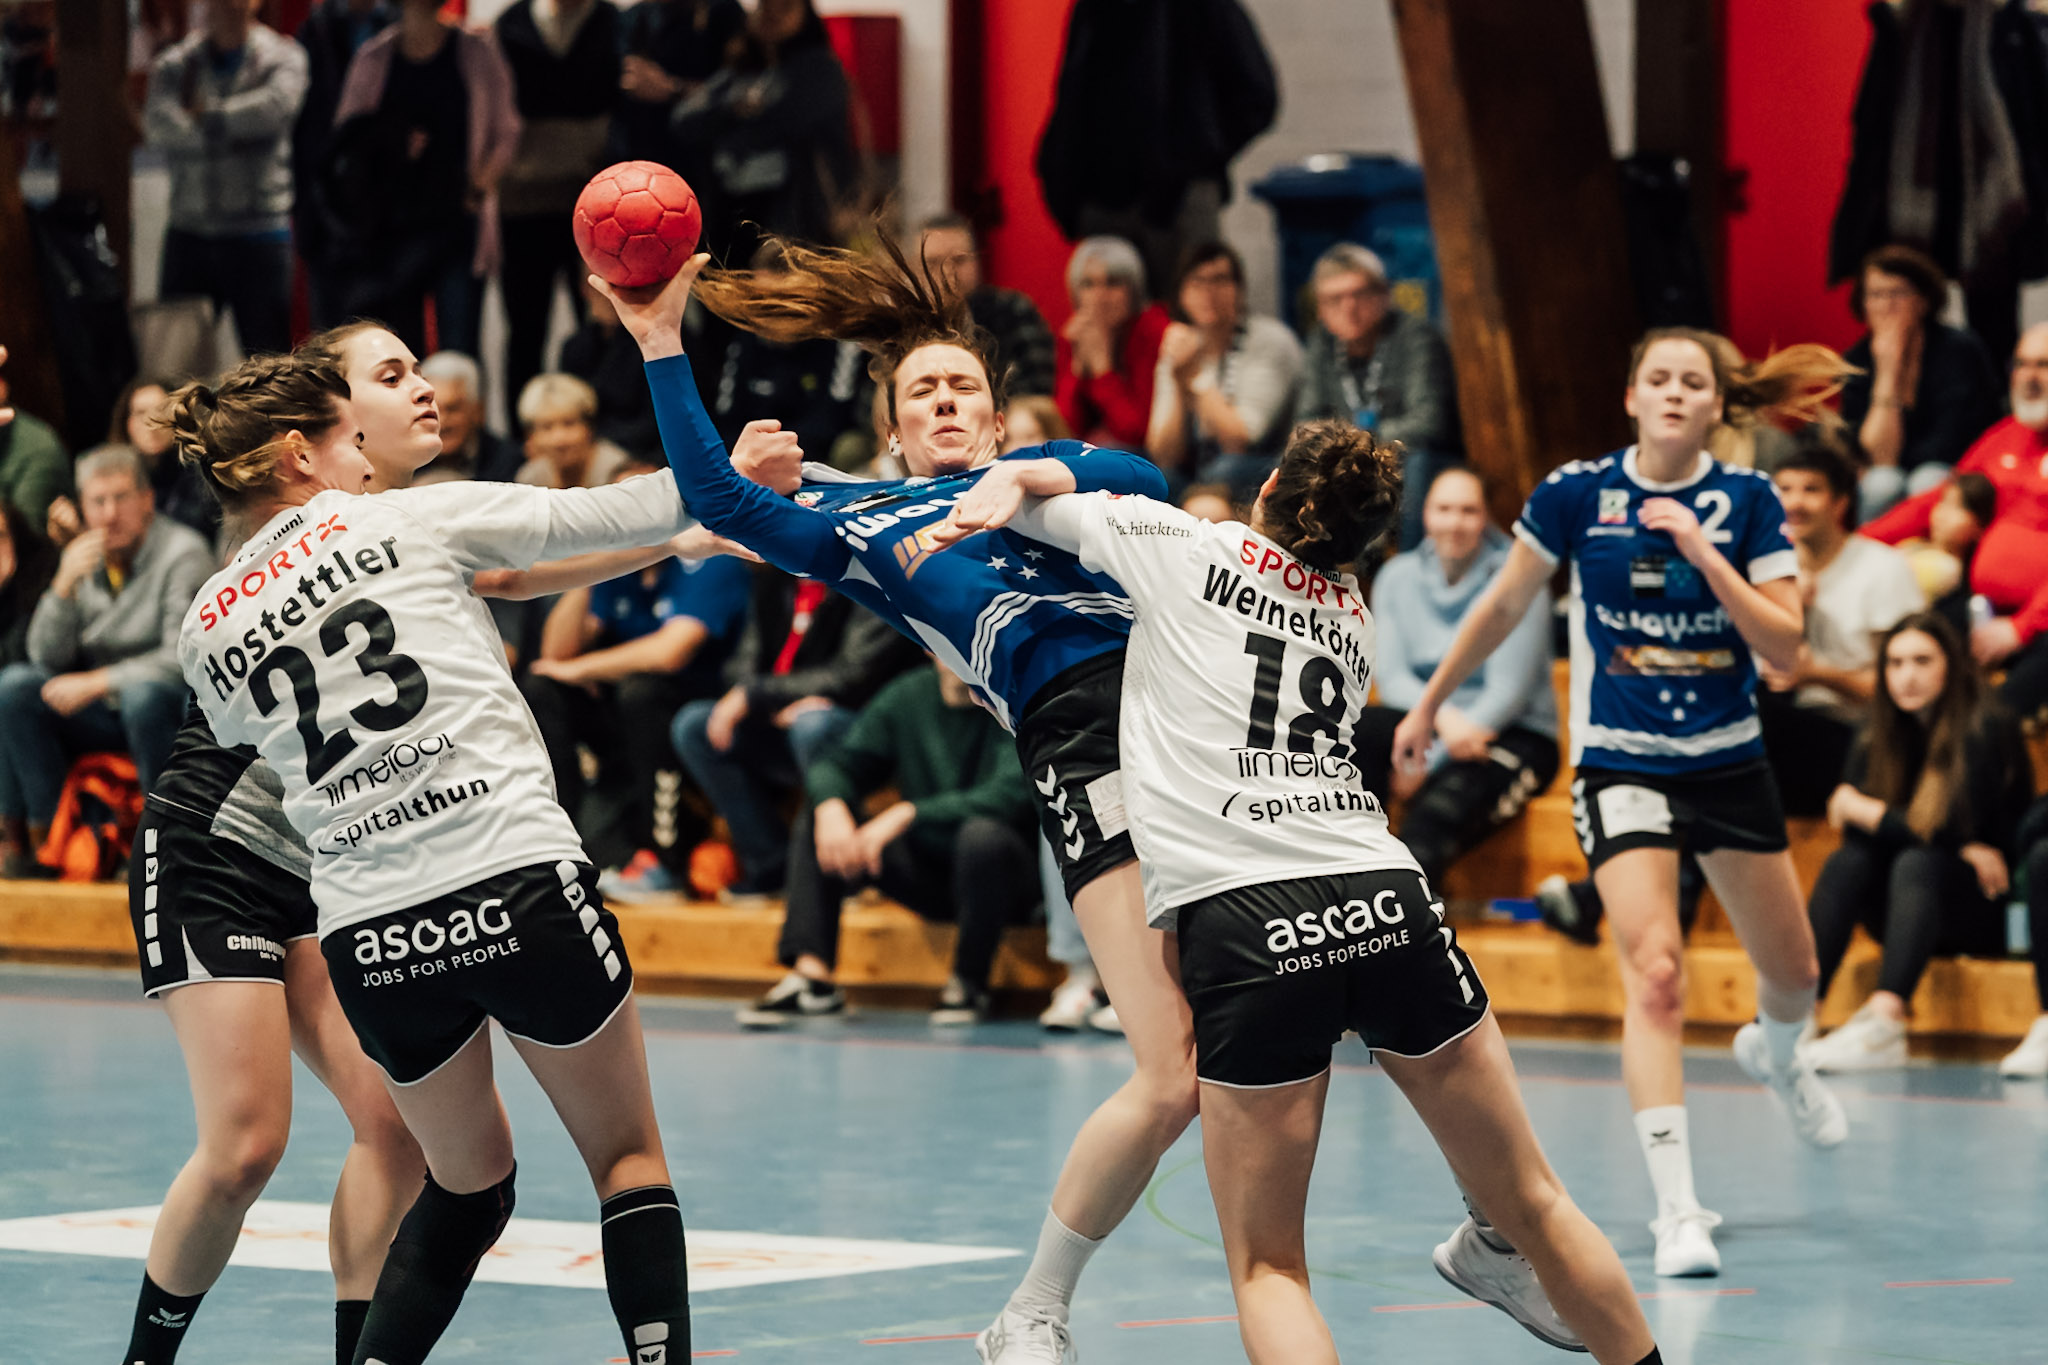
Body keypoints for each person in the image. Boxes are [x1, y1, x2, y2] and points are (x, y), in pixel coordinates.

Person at [599, 237, 1574, 1361]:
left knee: (1360, 966)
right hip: (1089, 744)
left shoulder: (1047, 471)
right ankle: (1031, 1311)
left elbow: (1146, 479)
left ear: (995, 413)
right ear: (893, 428)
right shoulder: (863, 526)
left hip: (1210, 728)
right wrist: (661, 341)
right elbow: (717, 496)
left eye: (964, 385)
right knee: (1173, 1075)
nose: (946, 400)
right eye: (922, 391)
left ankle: (1492, 1229)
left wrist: (1021, 480)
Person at [126, 315, 762, 1365]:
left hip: (361, 907)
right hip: (340, 857)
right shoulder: (409, 520)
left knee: (438, 1162)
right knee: (615, 1162)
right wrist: (719, 479)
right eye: (382, 386)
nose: (416, 393)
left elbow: (497, 577)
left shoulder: (215, 618)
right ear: (310, 445)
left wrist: (676, 538)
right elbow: (596, 517)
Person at [961, 423, 1664, 1365]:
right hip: (1384, 895)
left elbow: (1027, 504)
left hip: (1249, 918)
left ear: (1268, 491)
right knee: (1535, 1201)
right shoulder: (1352, 614)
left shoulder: (1184, 544)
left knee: (1270, 1269)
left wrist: (989, 471)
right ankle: (1517, 1258)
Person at [1392, 327, 1856, 1278]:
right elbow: (1503, 604)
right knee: (1656, 971)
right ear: (1633, 396)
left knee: (1796, 971)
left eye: (1694, 381)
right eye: (1659, 377)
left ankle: (1778, 1052)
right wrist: (1430, 702)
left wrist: (1706, 555)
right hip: (1622, 763)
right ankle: (1678, 1208)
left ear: (1716, 404)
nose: (1675, 392)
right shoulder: (1578, 494)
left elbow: (1785, 649)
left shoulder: (1748, 499)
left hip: (1726, 760)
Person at [743, 659, 1041, 1027]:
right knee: (822, 816)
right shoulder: (908, 695)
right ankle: (813, 978)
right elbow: (841, 763)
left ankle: (968, 983)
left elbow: (1011, 795)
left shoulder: (1010, 699)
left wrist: (909, 813)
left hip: (1007, 882)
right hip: (932, 876)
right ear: (928, 647)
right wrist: (831, 804)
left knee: (983, 838)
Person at [1801, 613, 2032, 1072]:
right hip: (1903, 909)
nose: (1907, 676)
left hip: (1980, 908)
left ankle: (1885, 1022)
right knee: (1849, 862)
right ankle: (1798, 1013)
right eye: (1895, 663)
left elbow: (1950, 827)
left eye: (1922, 661)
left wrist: (1872, 812)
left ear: (1952, 666)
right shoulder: (1877, 728)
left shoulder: (1986, 724)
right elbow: (1863, 832)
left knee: (1918, 860)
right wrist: (1947, 841)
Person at [521, 492, 751, 893]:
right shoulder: (620, 566)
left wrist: (580, 669)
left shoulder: (707, 555)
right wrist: (590, 568)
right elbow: (554, 655)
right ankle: (562, 846)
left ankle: (665, 859)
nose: (628, 518)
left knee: (641, 693)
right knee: (542, 689)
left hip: (698, 707)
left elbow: (670, 652)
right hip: (625, 710)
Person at [1352, 467, 1559, 888]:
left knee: (1431, 823)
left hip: (1508, 731)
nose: (1454, 522)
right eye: (1443, 509)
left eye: (1468, 510)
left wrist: (1428, 763)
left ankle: (1412, 917)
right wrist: (1440, 720)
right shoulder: (1397, 576)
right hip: (1428, 723)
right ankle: (1353, 869)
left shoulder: (1519, 578)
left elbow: (1507, 693)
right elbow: (1393, 678)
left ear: (1486, 518)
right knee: (1357, 735)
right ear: (1425, 515)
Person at [0, 446, 211, 851]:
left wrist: (98, 682)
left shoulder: (183, 553)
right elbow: (45, 656)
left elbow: (182, 659)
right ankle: (49, 842)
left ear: (147, 500)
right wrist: (63, 586)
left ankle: (161, 844)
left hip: (165, 704)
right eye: (98, 502)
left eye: (121, 498)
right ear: (83, 507)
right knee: (15, 686)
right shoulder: (84, 556)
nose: (110, 514)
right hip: (103, 711)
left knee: (142, 697)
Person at [671, 568, 922, 899]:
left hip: (859, 724)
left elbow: (853, 675)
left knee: (812, 725)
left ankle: (842, 874)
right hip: (778, 717)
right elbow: (742, 664)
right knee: (694, 725)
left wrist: (760, 695)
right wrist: (763, 701)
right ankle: (770, 866)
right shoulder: (772, 578)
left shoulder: (870, 576)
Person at [1864, 322, 2048, 724]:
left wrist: (2021, 628)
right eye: (2022, 364)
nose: (2030, 377)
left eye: (2044, 365)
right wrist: (1856, 543)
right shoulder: (2006, 436)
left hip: (2039, 621)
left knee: (1996, 716)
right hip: (1981, 606)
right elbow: (1934, 502)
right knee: (1913, 648)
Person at [330, 0, 520, 361]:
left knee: (459, 348)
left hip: (458, 221)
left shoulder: (476, 51)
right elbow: (347, 137)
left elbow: (506, 129)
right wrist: (391, 140)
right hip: (393, 228)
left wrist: (482, 183)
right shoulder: (374, 56)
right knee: (401, 348)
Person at [1755, 437, 1925, 816]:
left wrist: (1817, 675)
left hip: (1862, 736)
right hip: (1790, 728)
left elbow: (1908, 690)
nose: (1794, 502)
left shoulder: (1883, 569)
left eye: (1811, 490)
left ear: (1840, 503)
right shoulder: (1770, 569)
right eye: (1784, 490)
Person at [143, 0, 308, 358]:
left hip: (259, 232)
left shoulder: (283, 57)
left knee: (268, 364)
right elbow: (158, 125)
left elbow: (273, 110)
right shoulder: (178, 63)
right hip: (190, 229)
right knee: (175, 359)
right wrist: (233, 131)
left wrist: (204, 120)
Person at [494, 0, 620, 417]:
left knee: (602, 323)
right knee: (525, 328)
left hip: (597, 205)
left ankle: (595, 428)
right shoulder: (511, 24)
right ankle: (526, 436)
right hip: (523, 202)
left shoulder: (611, 22)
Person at [1294, 242, 1461, 549]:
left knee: (1418, 464)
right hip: (1350, 461)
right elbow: (1305, 424)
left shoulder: (1416, 337)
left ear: (1384, 294)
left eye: (1359, 294)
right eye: (1335, 299)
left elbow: (1428, 423)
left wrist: (1355, 445)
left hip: (1412, 458)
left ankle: (1407, 571)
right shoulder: (1321, 344)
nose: (1349, 307)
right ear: (1320, 308)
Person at [669, 0, 857, 259]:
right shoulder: (739, 70)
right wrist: (733, 109)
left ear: (805, 16)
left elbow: (780, 123)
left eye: (785, 7)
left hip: (793, 215)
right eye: (766, 6)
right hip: (729, 211)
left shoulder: (820, 69)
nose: (773, 14)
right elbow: (684, 119)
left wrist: (728, 125)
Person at [1839, 245, 2002, 522]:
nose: (1887, 305)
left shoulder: (1960, 350)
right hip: (1890, 470)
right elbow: (1877, 457)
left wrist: (1901, 461)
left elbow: (1954, 439)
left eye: (1898, 293)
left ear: (1924, 301)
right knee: (1881, 484)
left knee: (1926, 481)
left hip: (1957, 466)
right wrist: (1888, 372)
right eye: (1876, 294)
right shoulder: (1855, 361)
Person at [1145, 242, 1304, 500]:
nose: (1208, 292)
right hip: (1200, 470)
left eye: (1219, 280)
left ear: (1239, 290)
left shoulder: (1270, 341)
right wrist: (1177, 380)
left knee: (1225, 470)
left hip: (1263, 465)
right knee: (1155, 478)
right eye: (1197, 281)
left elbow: (1242, 441)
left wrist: (1195, 376)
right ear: (1181, 294)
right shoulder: (1179, 345)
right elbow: (1163, 454)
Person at [294, 0, 395, 329]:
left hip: (390, 217)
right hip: (325, 212)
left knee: (390, 335)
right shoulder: (315, 29)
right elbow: (301, 129)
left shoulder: (399, 25)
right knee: (330, 339)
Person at [917, 214, 1057, 398]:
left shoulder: (1012, 312)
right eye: (933, 263)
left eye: (958, 260)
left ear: (977, 263)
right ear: (913, 267)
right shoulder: (897, 326)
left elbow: (1035, 396)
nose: (947, 273)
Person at [1054, 236, 1172, 453]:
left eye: (1113, 283)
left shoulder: (1154, 331)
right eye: (1088, 284)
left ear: (1134, 290)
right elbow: (1062, 430)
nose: (1100, 296)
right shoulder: (1076, 335)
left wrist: (1102, 367)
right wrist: (1077, 369)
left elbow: (1137, 432)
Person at [609, 0, 744, 168]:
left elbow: (736, 90)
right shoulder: (637, 14)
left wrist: (674, 89)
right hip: (631, 151)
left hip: (689, 156)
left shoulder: (723, 11)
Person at [560, 279, 664, 457]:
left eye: (618, 288)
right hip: (586, 444)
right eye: (598, 289)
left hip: (644, 449)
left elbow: (658, 420)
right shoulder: (575, 346)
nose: (609, 298)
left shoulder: (659, 341)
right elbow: (567, 409)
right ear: (585, 289)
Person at [415, 351, 523, 483]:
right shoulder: (407, 460)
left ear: (478, 411)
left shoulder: (509, 464)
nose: (442, 421)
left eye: (452, 409)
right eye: (434, 409)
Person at [515, 372, 630, 489]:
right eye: (547, 427)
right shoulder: (531, 479)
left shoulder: (620, 474)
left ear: (589, 426)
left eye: (569, 424)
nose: (559, 439)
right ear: (531, 436)